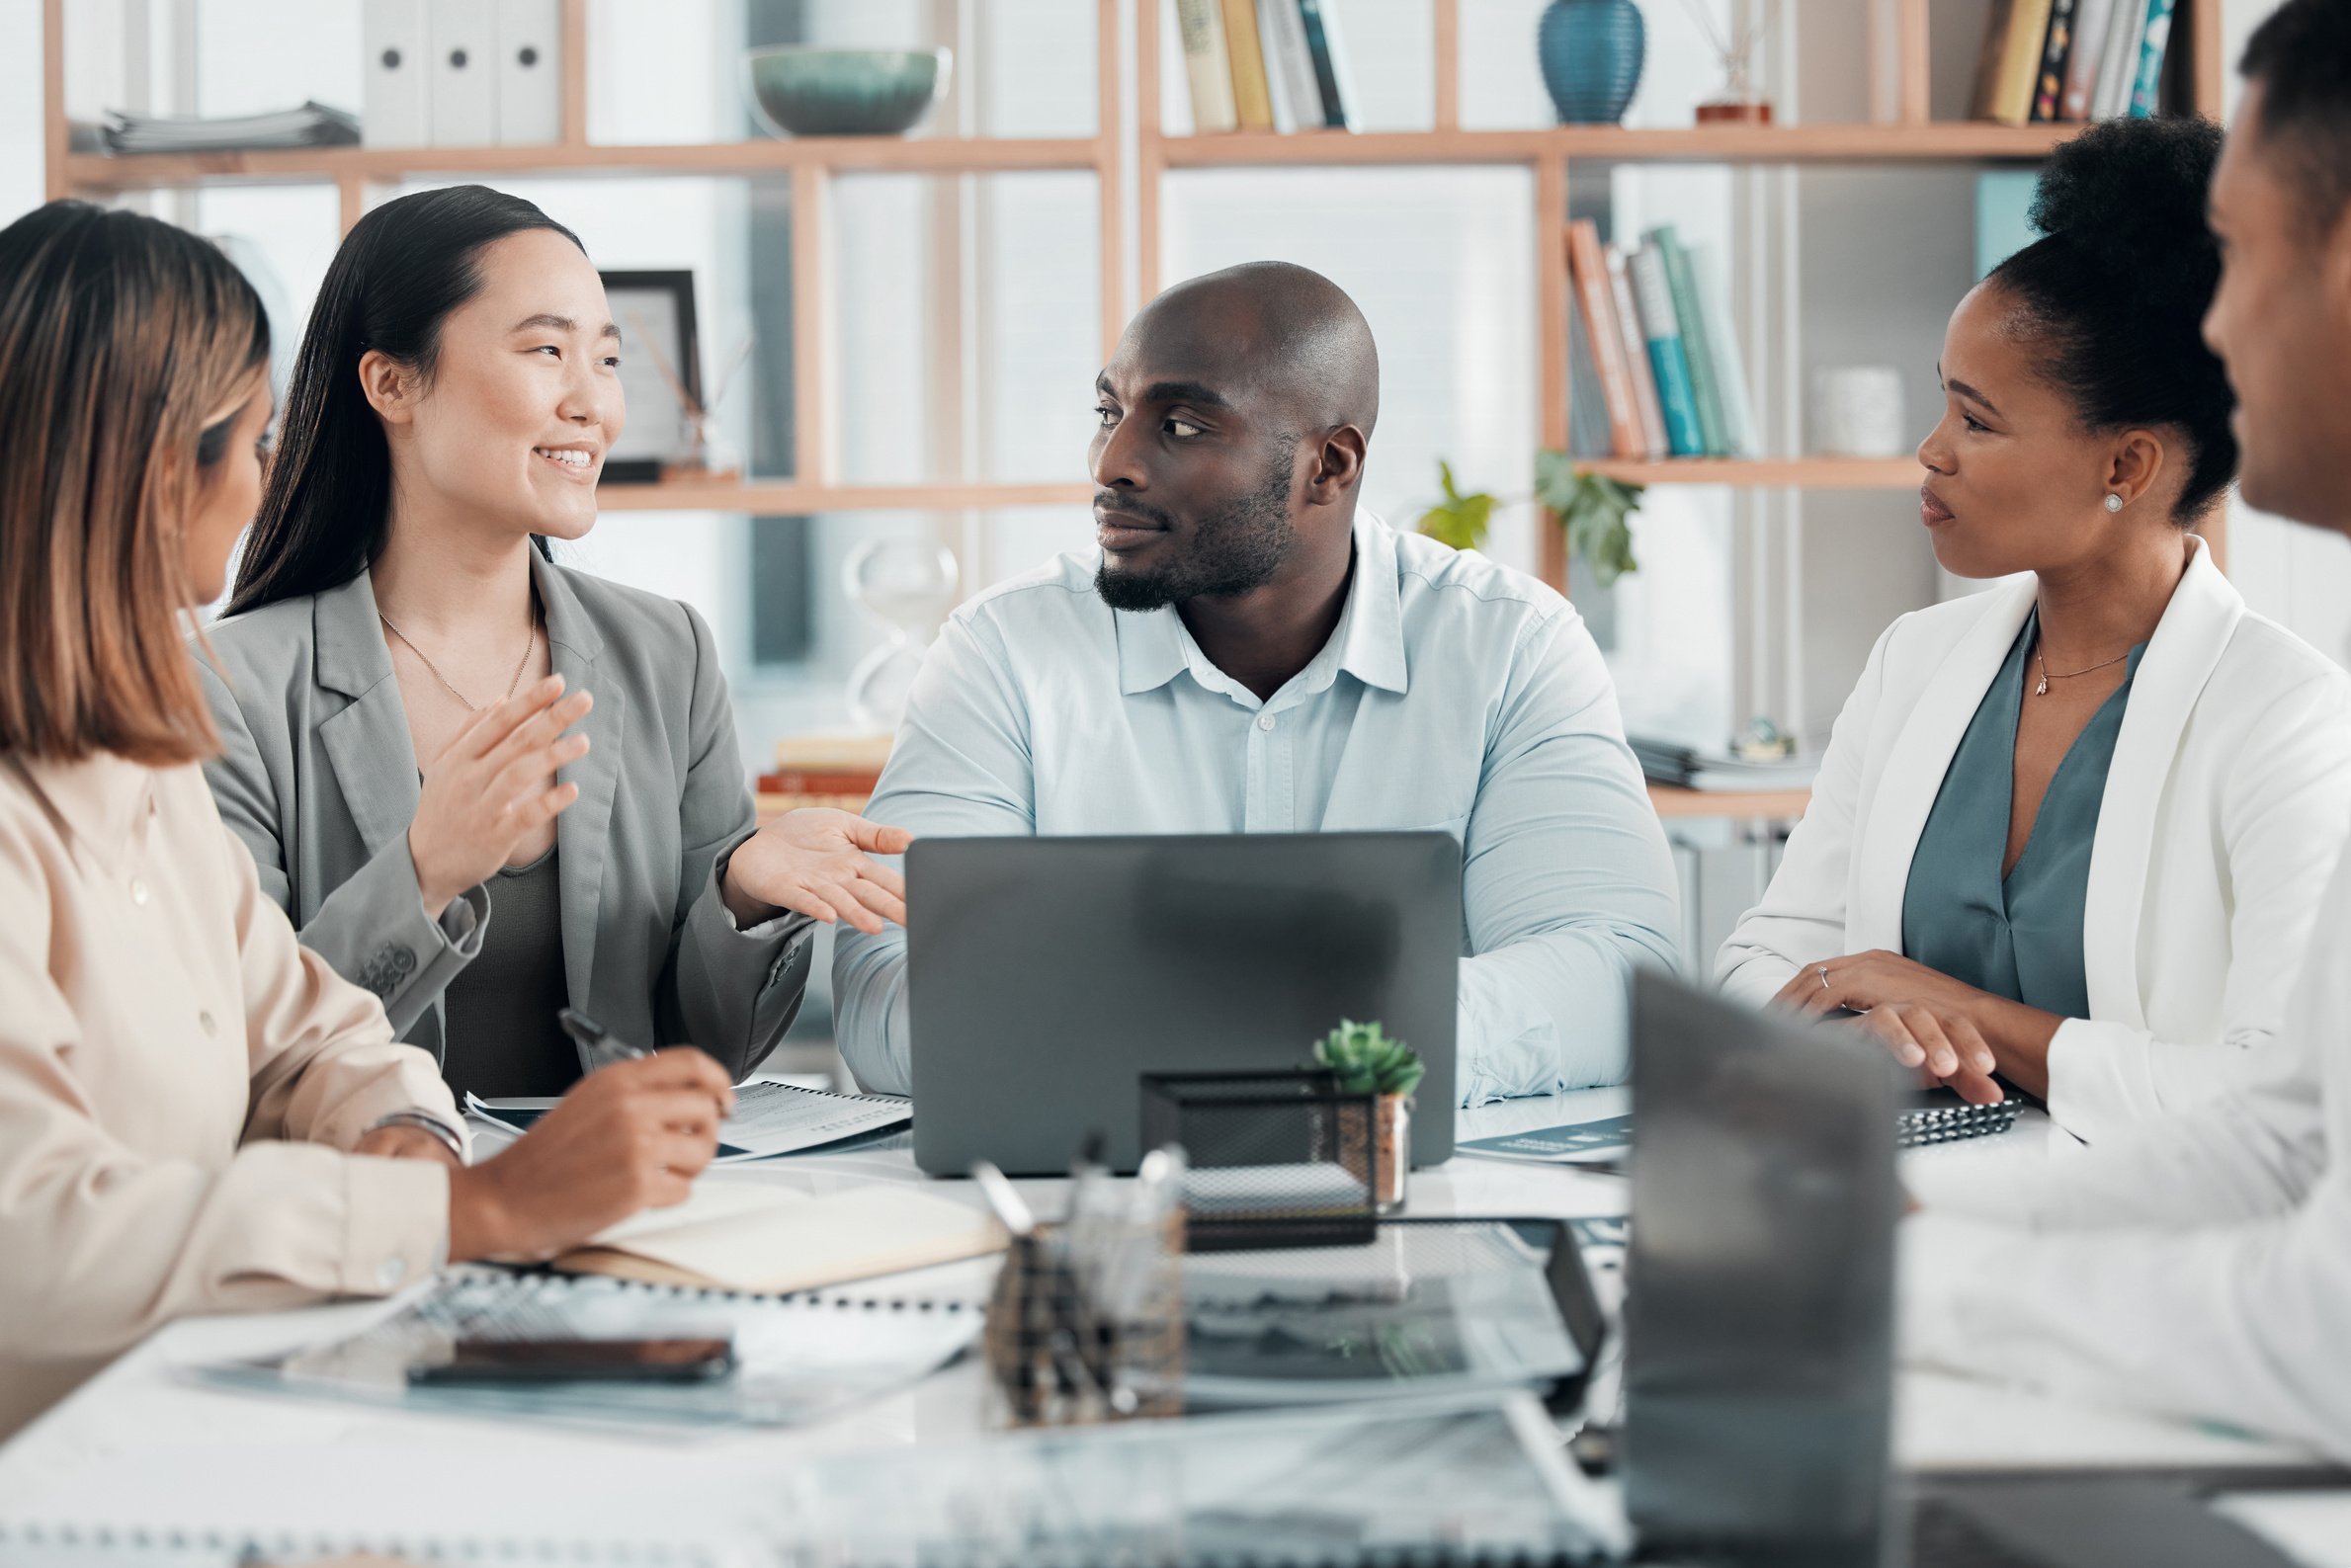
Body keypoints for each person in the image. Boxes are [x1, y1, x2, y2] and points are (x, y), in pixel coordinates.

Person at [0, 200, 736, 1440]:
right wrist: (467, 1216)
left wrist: (404, 1138)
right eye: (246, 437)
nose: (260, 476)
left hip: (210, 1408)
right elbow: (32, 1231)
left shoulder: (137, 767)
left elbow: (300, 1034)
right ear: (133, 466)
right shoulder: (176, 720)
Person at [833, 262, 1682, 1103]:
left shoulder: (1509, 647)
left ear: (1329, 465)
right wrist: (1292, 1028)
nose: (1111, 462)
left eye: (1183, 426)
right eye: (1109, 412)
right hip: (1095, 1195)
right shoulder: (1002, 650)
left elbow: (1614, 969)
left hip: (1398, 1186)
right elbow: (887, 990)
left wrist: (1333, 1043)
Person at [1901, 0, 2351, 1458]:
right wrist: (1871, 1209)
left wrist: (1892, 1283)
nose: (2210, 328)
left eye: (2242, 257)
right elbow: (2282, 1135)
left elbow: (2322, 1328)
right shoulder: (1928, 659)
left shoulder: (2290, 707)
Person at [1714, 116, 2351, 1143]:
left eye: (1977, 419)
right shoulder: (1914, 664)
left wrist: (1972, 1016)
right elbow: (1763, 959)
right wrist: (1861, 1019)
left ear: (2126, 468)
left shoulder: (2290, 720)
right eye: (1943, 405)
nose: (1930, 450)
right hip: (1902, 1228)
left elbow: (2291, 1106)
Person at [203, 186, 909, 1097]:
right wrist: (421, 875)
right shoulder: (232, 686)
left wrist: (743, 895)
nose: (595, 405)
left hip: (620, 1210)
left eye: (606, 360)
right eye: (545, 350)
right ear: (390, 383)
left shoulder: (668, 654)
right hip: (386, 1208)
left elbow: (707, 1056)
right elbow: (238, 1052)